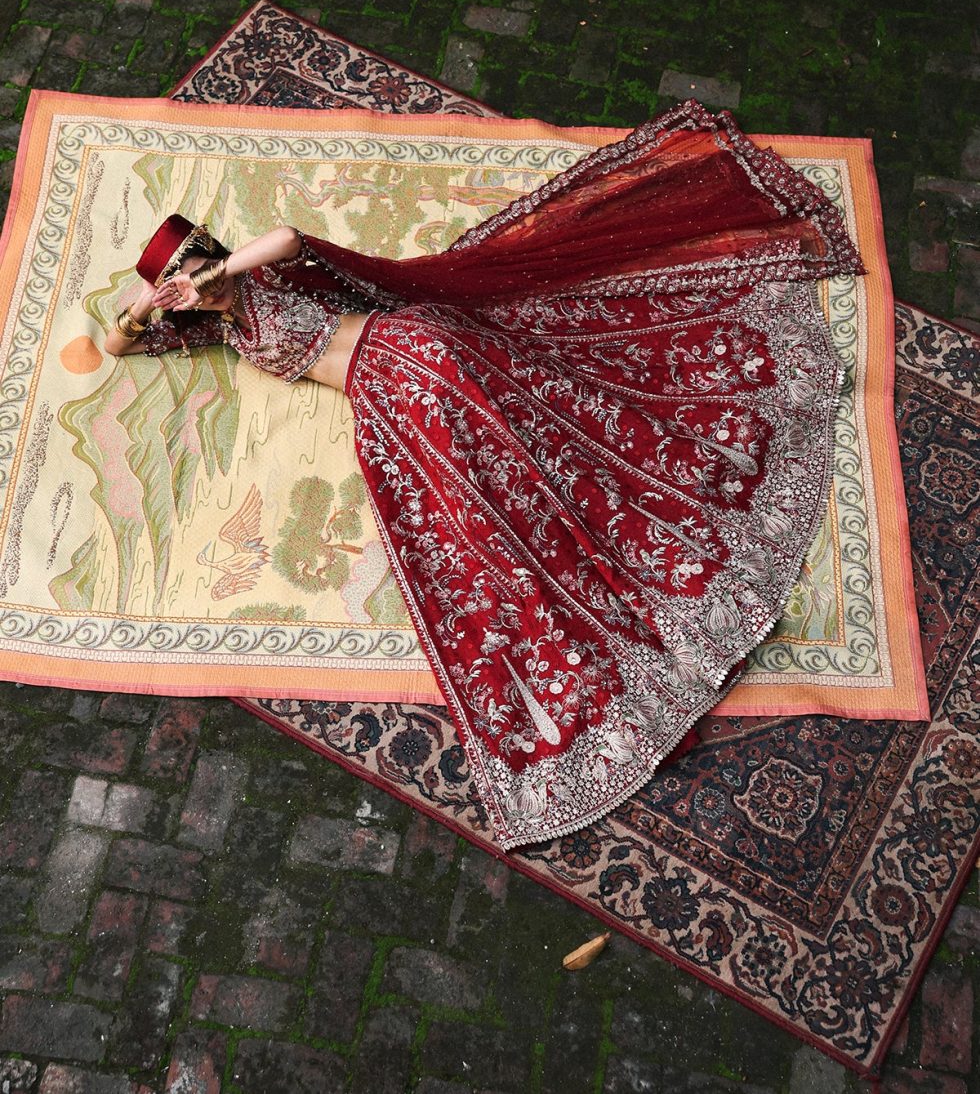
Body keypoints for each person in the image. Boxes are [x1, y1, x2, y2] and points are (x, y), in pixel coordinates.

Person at [105, 100, 863, 850]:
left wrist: (220, 270)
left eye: (200, 268)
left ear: (215, 254)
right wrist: (154, 300)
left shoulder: (269, 280)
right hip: (384, 399)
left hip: (408, 351)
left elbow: (288, 236)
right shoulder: (221, 328)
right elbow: (119, 344)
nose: (201, 286)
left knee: (527, 459)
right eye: (187, 283)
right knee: (480, 523)